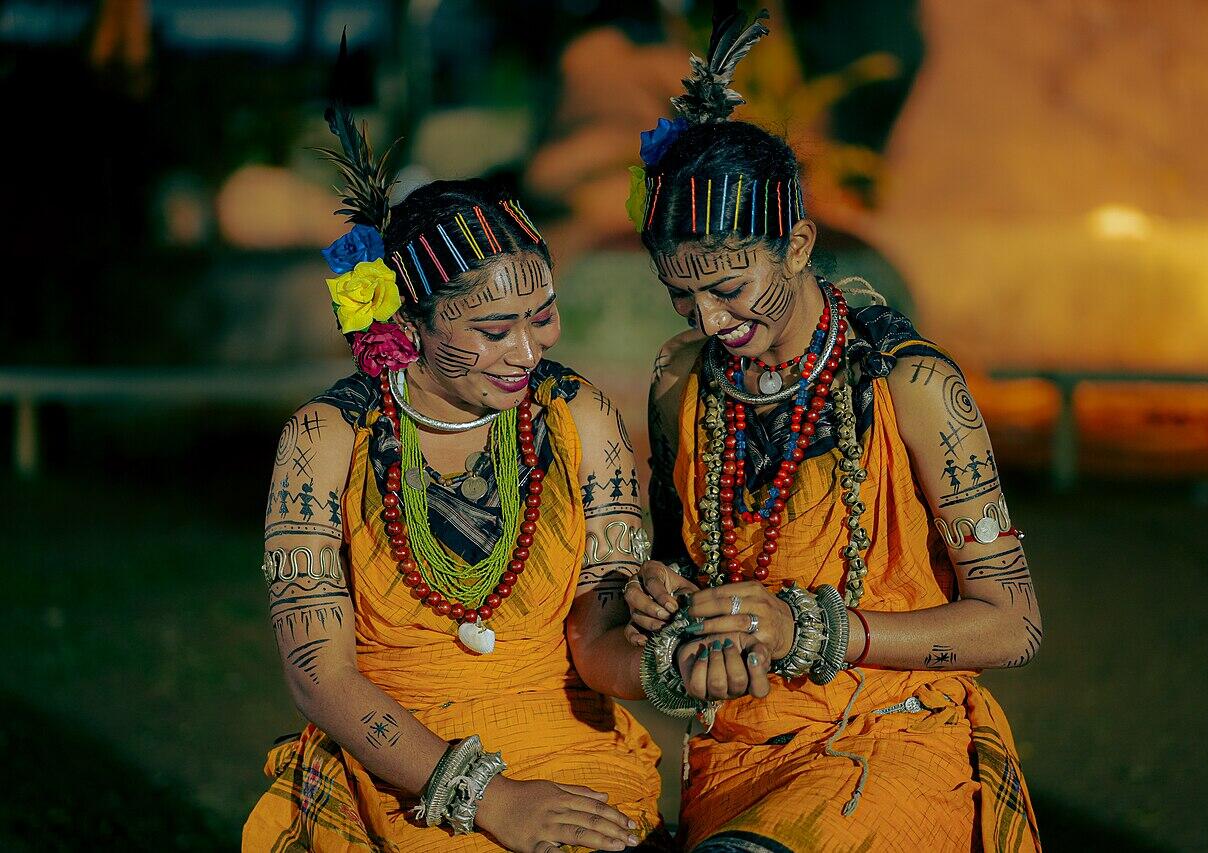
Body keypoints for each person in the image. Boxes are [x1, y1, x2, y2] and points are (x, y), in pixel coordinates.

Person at [622, 6, 1042, 851]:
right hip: (736, 753)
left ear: (799, 243)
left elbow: (1013, 623)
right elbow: (683, 562)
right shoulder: (680, 383)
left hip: (887, 738)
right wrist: (661, 597)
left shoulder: (912, 386)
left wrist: (815, 629)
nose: (710, 319)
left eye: (730, 288)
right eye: (681, 295)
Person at [243, 87, 668, 852]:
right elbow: (319, 675)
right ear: (409, 324)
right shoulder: (326, 439)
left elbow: (599, 639)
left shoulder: (578, 416)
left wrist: (673, 653)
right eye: (494, 329)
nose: (528, 350)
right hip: (399, 764)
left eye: (542, 315)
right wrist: (490, 798)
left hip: (568, 742)